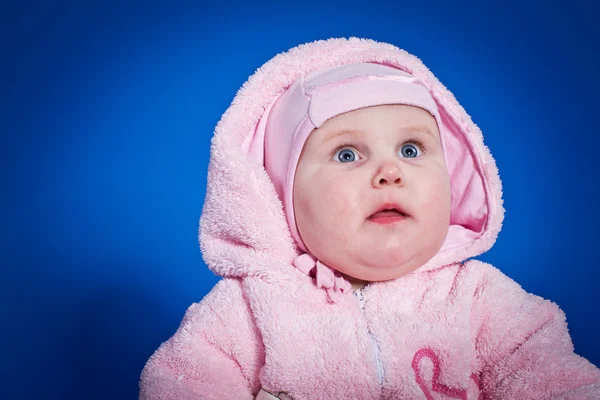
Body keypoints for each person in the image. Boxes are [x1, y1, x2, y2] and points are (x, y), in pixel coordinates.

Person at [138, 37, 600, 399]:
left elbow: (559, 384)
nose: (390, 172)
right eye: (346, 153)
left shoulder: (482, 301)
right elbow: (181, 384)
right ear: (280, 198)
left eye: (411, 149)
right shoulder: (246, 310)